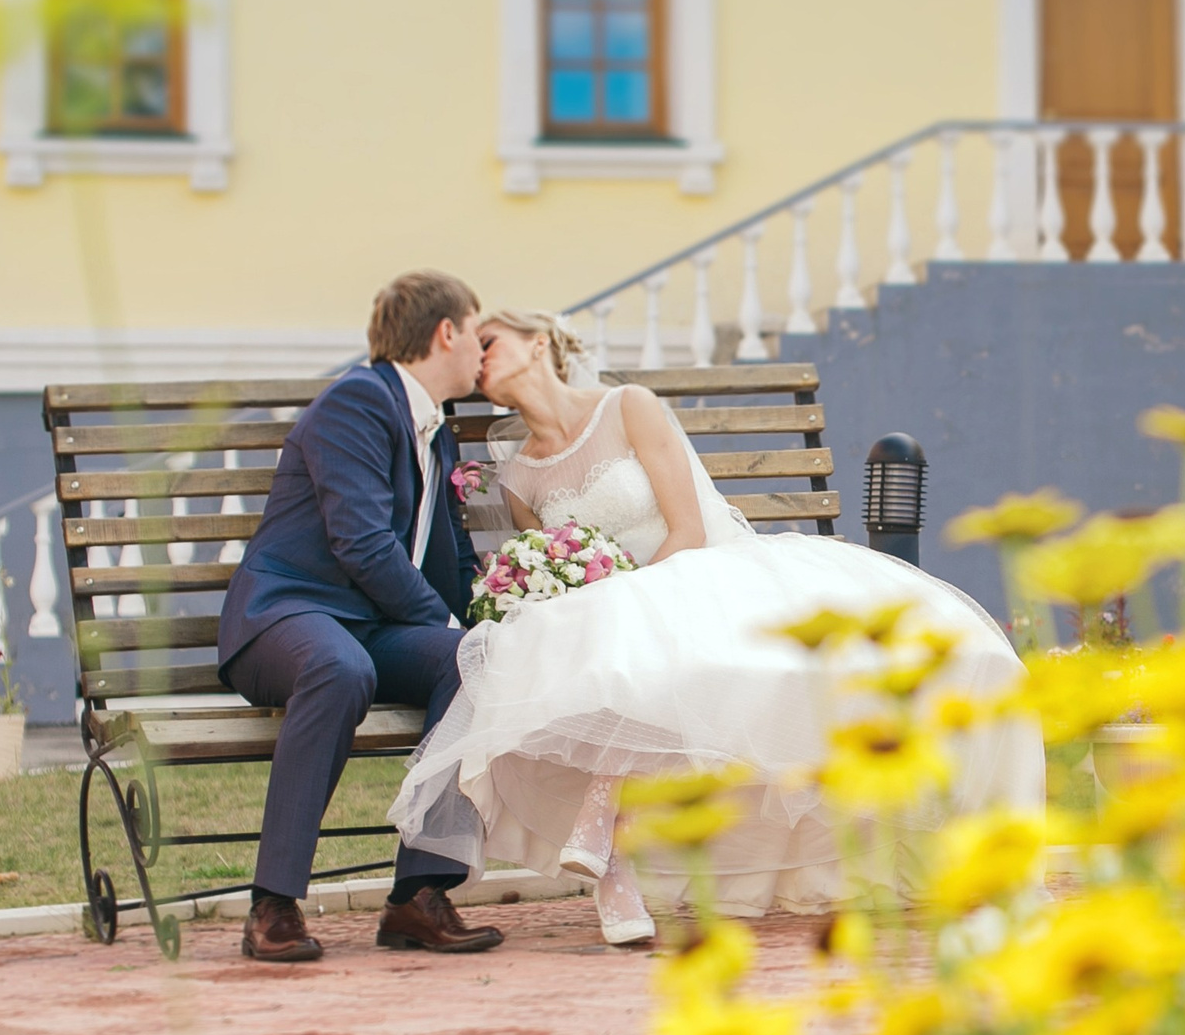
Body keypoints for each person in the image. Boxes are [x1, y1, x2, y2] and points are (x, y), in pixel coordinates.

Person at [392, 309, 1044, 945]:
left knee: (642, 649)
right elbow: (551, 568)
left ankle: (606, 841)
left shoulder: (628, 407)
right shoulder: (516, 476)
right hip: (610, 620)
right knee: (616, 659)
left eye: (490, 339)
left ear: (539, 341)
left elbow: (688, 528)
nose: (478, 355)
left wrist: (628, 598)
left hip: (698, 576)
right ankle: (612, 861)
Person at [215, 271, 508, 963]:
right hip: (289, 612)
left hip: (369, 625)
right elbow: (363, 543)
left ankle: (419, 895)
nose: (483, 350)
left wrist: (487, 622)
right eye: (477, 333)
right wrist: (442, 623)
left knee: (478, 660)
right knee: (339, 668)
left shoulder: (435, 429)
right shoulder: (358, 400)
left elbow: (448, 552)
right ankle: (273, 905)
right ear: (446, 332)